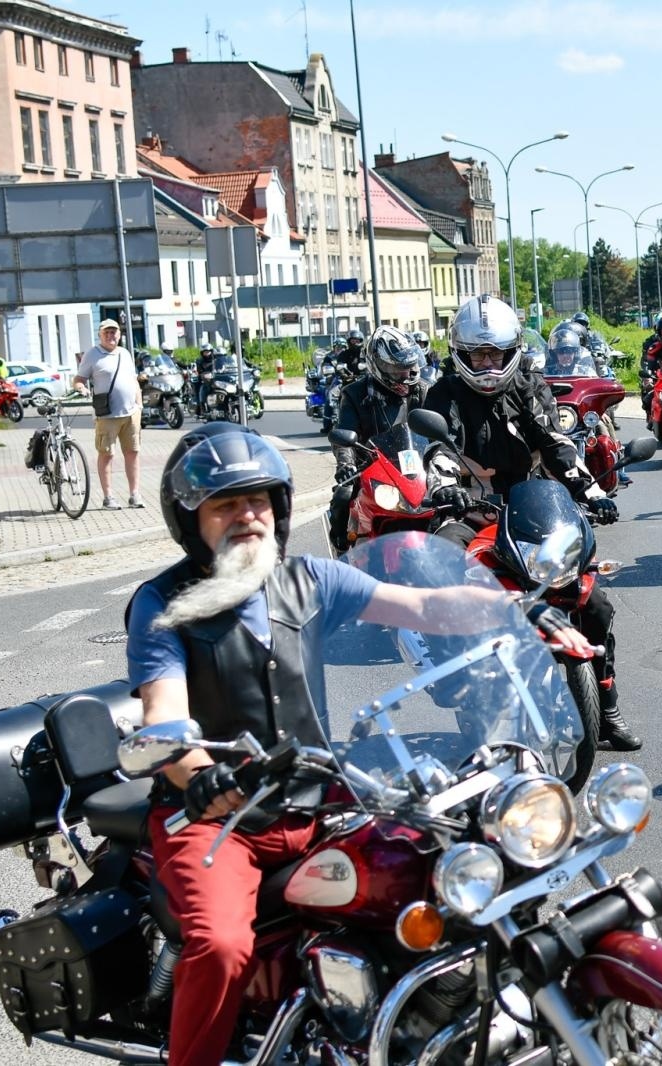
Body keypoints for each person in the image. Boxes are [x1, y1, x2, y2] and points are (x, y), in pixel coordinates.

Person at [125, 422, 593, 1066]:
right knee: (222, 944)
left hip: (317, 793)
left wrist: (518, 611)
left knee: (443, 858)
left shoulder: (308, 581)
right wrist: (198, 771)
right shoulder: (161, 603)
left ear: (281, 509)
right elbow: (164, 718)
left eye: (258, 500)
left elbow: (425, 606)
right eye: (226, 505)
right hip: (216, 816)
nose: (247, 516)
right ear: (192, 519)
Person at [420, 296, 639, 751]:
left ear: (510, 351)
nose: (487, 363)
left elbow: (553, 440)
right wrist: (445, 487)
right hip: (469, 506)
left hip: (530, 502)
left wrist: (591, 490)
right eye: (478, 353)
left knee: (591, 600)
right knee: (442, 565)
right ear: (460, 352)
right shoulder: (443, 393)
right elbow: (437, 449)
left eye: (495, 353)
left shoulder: (527, 383)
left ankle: (608, 707)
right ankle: (456, 680)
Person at [327, 326, 432, 553]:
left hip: (420, 469)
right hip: (372, 469)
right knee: (343, 495)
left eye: (409, 366)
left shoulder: (423, 391)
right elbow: (343, 432)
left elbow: (441, 429)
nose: (406, 374)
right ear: (377, 365)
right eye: (397, 369)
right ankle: (343, 553)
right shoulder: (355, 394)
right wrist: (346, 465)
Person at [75, 319, 144, 509]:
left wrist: (139, 405)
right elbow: (79, 378)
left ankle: (134, 494)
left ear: (119, 335)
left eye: (113, 332)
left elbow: (134, 380)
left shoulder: (125, 353)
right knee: (106, 455)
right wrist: (81, 388)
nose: (110, 335)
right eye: (106, 332)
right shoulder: (92, 355)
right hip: (106, 415)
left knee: (133, 453)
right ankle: (108, 497)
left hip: (131, 413)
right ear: (100, 335)